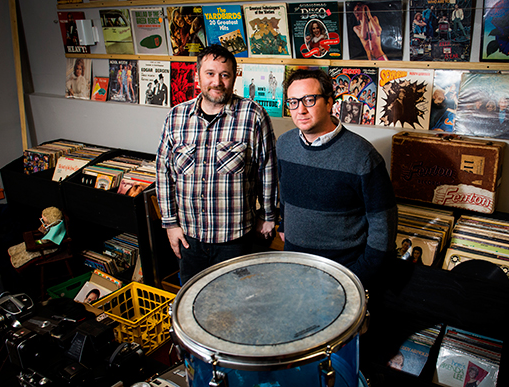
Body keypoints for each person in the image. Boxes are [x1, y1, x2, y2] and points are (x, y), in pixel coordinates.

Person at [156, 45, 278, 285]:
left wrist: (268, 215)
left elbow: (268, 169)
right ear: (197, 76)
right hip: (189, 238)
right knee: (194, 308)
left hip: (235, 240)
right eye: (210, 73)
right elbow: (163, 173)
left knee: (239, 307)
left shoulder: (253, 115)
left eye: (225, 74)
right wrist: (170, 224)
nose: (217, 81)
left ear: (234, 77)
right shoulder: (176, 116)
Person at [276, 69, 397, 289]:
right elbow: (285, 192)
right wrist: (284, 224)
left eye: (309, 100)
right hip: (294, 267)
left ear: (330, 102)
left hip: (343, 274)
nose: (300, 110)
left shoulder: (362, 155)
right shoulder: (284, 145)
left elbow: (384, 224)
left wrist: (361, 274)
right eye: (293, 102)